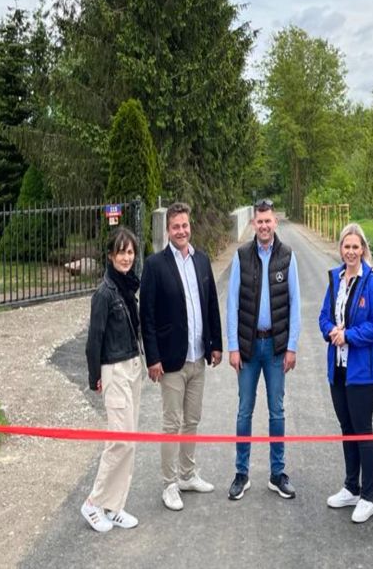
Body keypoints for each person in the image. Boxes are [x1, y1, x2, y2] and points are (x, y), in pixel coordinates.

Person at [140, 202, 223, 511]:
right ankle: (169, 483)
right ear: (168, 230)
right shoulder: (155, 265)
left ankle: (187, 475)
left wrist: (216, 344)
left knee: (192, 420)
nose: (181, 231)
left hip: (198, 357)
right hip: (171, 361)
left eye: (185, 225)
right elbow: (147, 315)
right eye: (175, 227)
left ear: (190, 226)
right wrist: (153, 358)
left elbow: (211, 303)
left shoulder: (201, 260)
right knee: (171, 423)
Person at [226, 199, 301, 501]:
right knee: (244, 411)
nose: (264, 226)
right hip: (247, 346)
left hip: (276, 347)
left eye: (268, 221)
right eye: (260, 221)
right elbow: (232, 303)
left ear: (275, 222)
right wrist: (233, 346)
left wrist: (292, 346)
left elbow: (295, 303)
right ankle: (241, 473)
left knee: (277, 411)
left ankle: (277, 473)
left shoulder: (288, 256)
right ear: (253, 223)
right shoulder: (241, 256)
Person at [318, 223, 373, 524]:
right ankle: (351, 486)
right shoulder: (335, 279)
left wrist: (349, 336)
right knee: (346, 427)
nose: (350, 251)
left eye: (355, 247)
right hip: (338, 368)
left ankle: (367, 497)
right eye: (346, 246)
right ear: (341, 249)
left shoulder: (371, 282)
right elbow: (323, 316)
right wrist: (331, 331)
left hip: (361, 371)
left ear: (363, 249)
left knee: (362, 429)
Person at [81, 227, 143, 532]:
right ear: (110, 255)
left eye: (130, 252)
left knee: (130, 442)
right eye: (121, 252)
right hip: (114, 369)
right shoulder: (104, 293)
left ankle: (114, 505)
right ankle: (93, 502)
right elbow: (94, 340)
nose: (126, 257)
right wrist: (95, 377)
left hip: (133, 366)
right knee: (119, 440)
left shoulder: (128, 287)